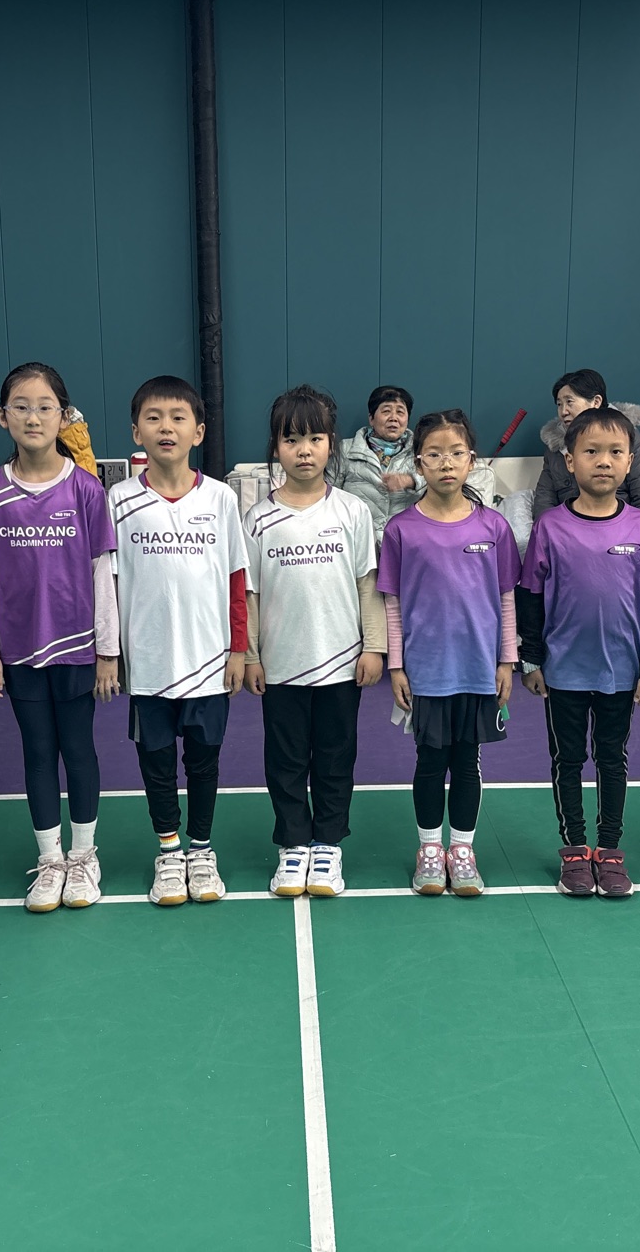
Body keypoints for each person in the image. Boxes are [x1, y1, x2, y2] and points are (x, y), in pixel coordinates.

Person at [0, 362, 119, 914]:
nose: (33, 417)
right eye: (21, 406)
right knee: (37, 751)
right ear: (2, 416)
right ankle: (50, 859)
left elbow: (102, 573)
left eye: (45, 407)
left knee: (77, 748)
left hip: (77, 648)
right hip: (20, 650)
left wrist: (108, 651)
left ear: (64, 416)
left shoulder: (86, 489)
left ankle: (83, 856)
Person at [518, 406, 640, 899]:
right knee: (567, 759)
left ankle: (609, 850)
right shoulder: (549, 527)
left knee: (611, 759)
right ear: (569, 461)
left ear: (629, 462)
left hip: (621, 673)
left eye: (615, 452)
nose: (603, 461)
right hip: (562, 671)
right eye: (591, 451)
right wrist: (532, 659)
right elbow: (530, 597)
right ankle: (574, 851)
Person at [109, 375, 249, 906]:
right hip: (148, 662)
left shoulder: (221, 499)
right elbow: (110, 584)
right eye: (153, 417)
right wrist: (110, 652)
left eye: (177, 417)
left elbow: (236, 579)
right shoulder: (119, 501)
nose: (165, 427)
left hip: (209, 660)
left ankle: (201, 849)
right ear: (136, 432)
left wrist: (239, 649)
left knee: (205, 762)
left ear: (199, 431)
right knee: (156, 761)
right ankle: (169, 851)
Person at [243, 385, 386, 899]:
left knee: (334, 758)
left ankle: (327, 844)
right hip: (281, 666)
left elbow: (367, 584)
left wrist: (374, 646)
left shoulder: (352, 511)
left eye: (315, 439)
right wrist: (251, 655)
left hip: (341, 665)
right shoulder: (257, 519)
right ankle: (293, 844)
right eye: (291, 440)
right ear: (275, 448)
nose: (304, 450)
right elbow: (251, 594)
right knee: (284, 761)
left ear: (331, 445)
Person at [379, 409, 520, 898]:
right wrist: (397, 665)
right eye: (434, 454)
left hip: (479, 669)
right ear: (419, 463)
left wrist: (506, 660)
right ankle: (429, 850)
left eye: (456, 453)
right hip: (426, 671)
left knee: (467, 761)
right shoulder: (401, 530)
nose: (446, 463)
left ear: (471, 460)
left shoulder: (494, 527)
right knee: (429, 761)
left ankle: (462, 850)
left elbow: (506, 597)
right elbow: (392, 604)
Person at [531, 369, 640, 520]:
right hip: (567, 530)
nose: (563, 411)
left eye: (569, 402)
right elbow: (544, 499)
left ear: (596, 402)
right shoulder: (556, 447)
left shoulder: (625, 436)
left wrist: (634, 531)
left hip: (620, 529)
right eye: (559, 404)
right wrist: (549, 529)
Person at [336, 385, 421, 540]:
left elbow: (435, 484)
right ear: (371, 418)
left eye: (400, 412)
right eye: (386, 411)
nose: (393, 418)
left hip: (406, 539)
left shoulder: (420, 450)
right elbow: (329, 491)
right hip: (358, 537)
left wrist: (411, 481)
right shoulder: (345, 449)